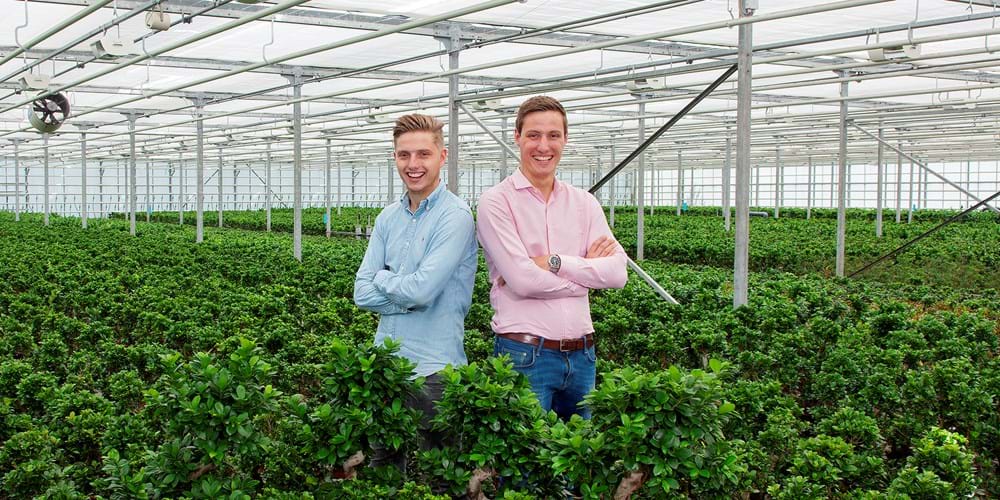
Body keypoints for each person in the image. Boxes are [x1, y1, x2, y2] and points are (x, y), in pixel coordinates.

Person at [476, 95, 628, 421]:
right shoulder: (496, 202)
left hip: (583, 356)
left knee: (581, 448)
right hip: (524, 354)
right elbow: (523, 281)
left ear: (565, 139)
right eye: (533, 135)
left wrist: (556, 262)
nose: (543, 146)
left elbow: (617, 273)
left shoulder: (584, 203)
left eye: (553, 135)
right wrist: (586, 279)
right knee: (526, 451)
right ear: (517, 137)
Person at [354, 113, 478, 472]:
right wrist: (407, 296)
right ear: (395, 157)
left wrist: (384, 278)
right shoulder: (387, 218)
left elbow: (422, 291)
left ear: (442, 156)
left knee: (443, 473)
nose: (413, 164)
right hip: (387, 364)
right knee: (383, 466)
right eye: (404, 155)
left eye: (423, 154)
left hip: (435, 369)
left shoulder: (455, 216)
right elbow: (361, 292)